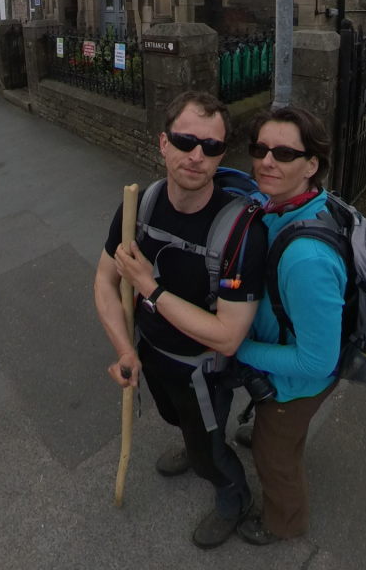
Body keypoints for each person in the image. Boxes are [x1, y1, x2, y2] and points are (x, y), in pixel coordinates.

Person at [94, 90, 266, 549]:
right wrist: (125, 349)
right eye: (185, 141)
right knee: (174, 419)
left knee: (209, 450)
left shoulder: (241, 232)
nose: (196, 155)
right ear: (162, 143)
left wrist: (150, 287)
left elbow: (229, 338)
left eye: (210, 147)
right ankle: (193, 446)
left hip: (202, 372)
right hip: (152, 355)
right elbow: (105, 282)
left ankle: (234, 496)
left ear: (220, 155)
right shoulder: (141, 206)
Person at [234, 106, 347, 546]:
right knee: (276, 431)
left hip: (296, 383)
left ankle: (284, 520)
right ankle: (276, 432)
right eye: (260, 149)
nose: (267, 161)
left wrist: (237, 347)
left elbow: (318, 361)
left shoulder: (307, 260)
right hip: (288, 352)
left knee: (274, 457)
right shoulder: (290, 203)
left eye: (284, 153)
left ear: (311, 164)